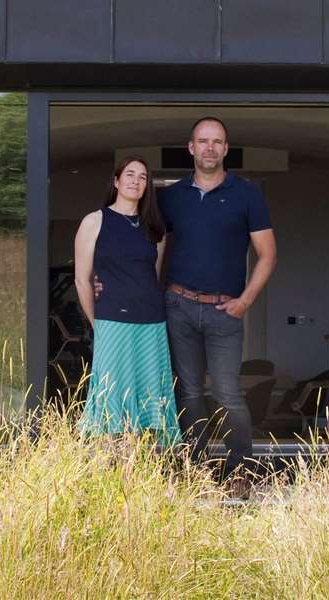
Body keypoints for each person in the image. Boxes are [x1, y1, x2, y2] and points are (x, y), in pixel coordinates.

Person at [158, 116, 277, 483]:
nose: (210, 148)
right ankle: (195, 473)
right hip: (178, 306)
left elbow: (268, 254)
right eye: (202, 141)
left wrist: (246, 301)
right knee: (190, 393)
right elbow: (155, 246)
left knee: (228, 394)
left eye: (217, 142)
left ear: (226, 149)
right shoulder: (172, 196)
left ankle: (240, 472)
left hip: (226, 311)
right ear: (191, 148)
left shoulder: (247, 195)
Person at [73, 157, 179, 447]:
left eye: (143, 177)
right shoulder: (95, 221)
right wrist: (97, 323)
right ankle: (109, 469)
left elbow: (151, 277)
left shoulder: (155, 229)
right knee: (111, 396)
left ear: (147, 186)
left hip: (151, 323)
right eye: (130, 174)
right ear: (117, 182)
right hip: (112, 321)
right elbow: (82, 280)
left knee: (148, 395)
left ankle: (139, 467)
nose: (136, 180)